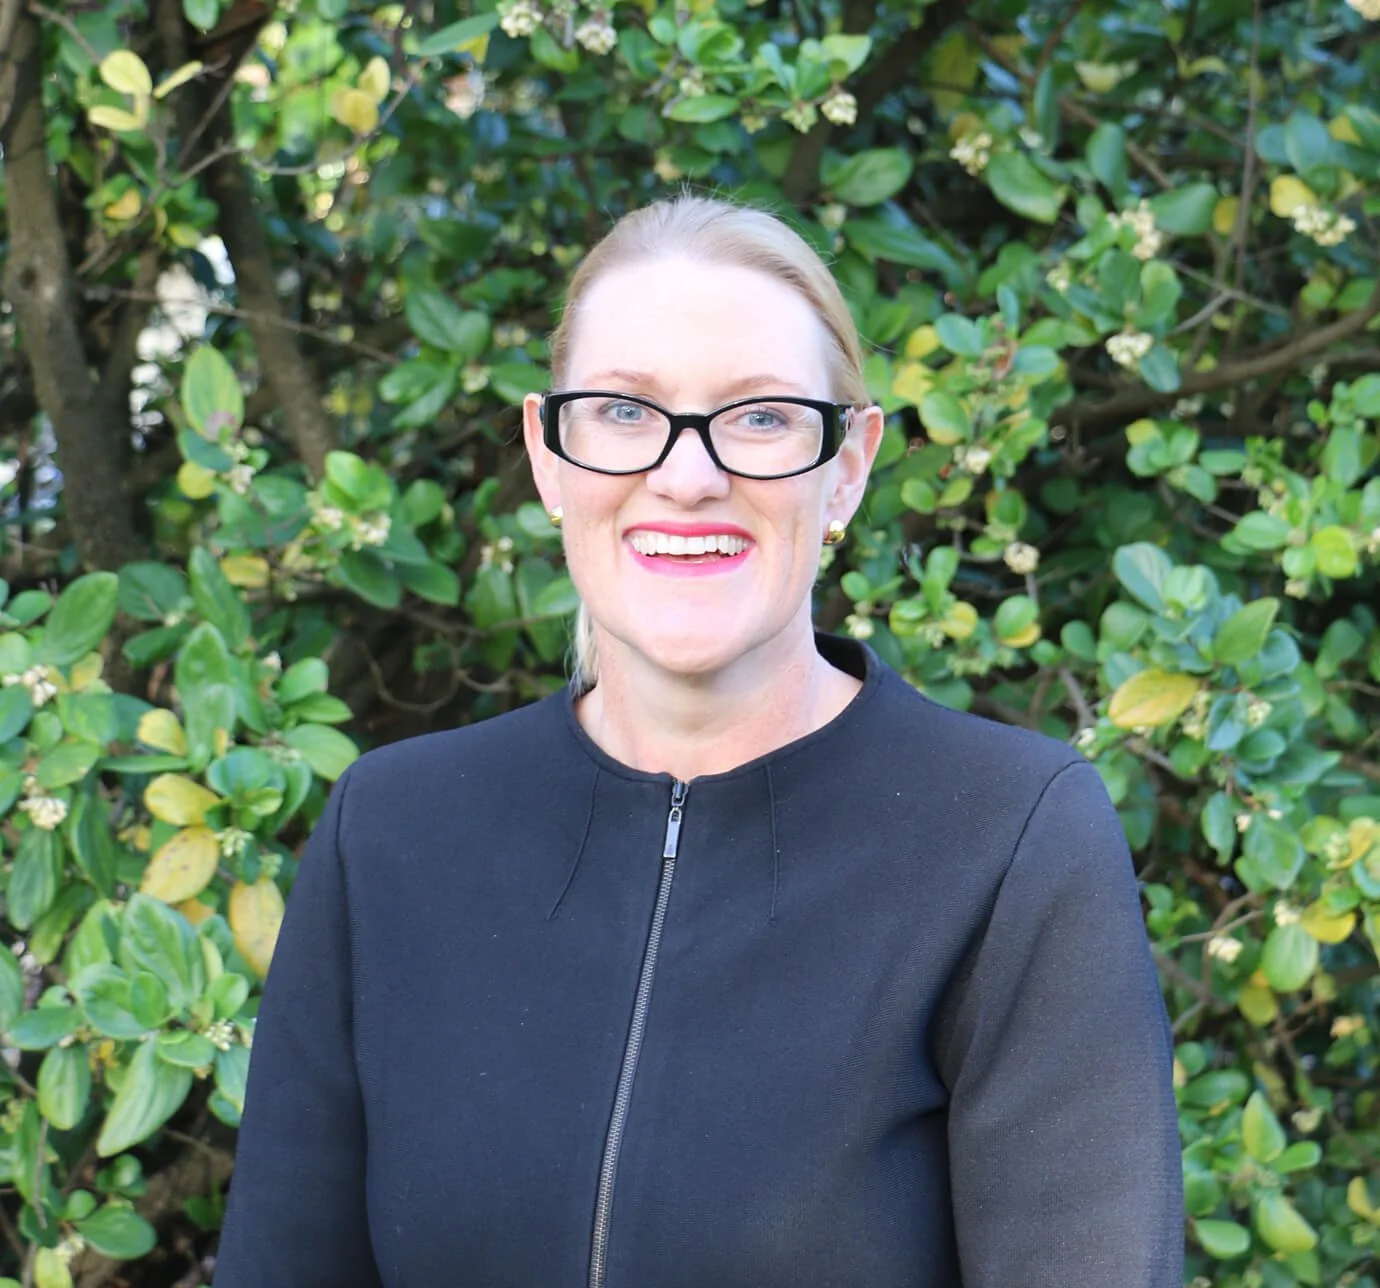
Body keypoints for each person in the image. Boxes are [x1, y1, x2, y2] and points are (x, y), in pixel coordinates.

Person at [213, 195, 1183, 1287]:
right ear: (548, 453)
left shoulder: (1007, 840)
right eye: (624, 411)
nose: (687, 477)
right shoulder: (391, 832)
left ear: (848, 466)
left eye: (761, 417)